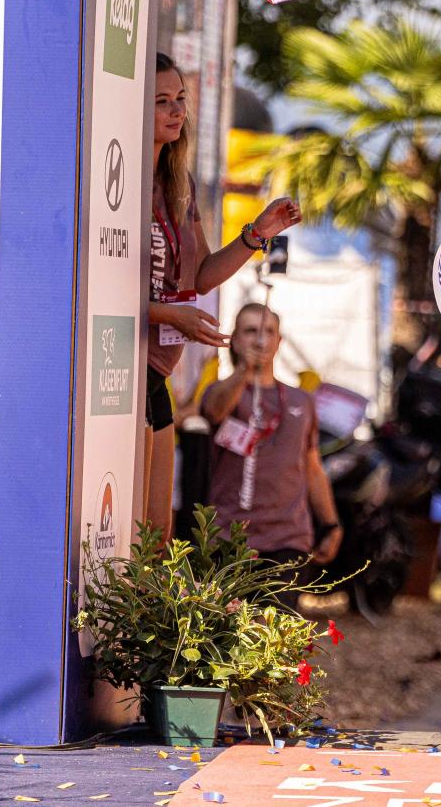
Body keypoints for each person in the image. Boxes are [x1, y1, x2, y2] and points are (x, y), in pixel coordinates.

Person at [144, 53, 301, 535]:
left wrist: (257, 233)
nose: (176, 112)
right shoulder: (120, 176)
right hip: (118, 372)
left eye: (181, 100)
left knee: (156, 535)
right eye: (162, 102)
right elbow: (93, 293)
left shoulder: (178, 183)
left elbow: (202, 276)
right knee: (129, 532)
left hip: (157, 373)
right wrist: (170, 318)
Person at [196, 303, 342, 587]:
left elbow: (312, 466)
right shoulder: (220, 391)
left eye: (268, 332)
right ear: (235, 340)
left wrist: (331, 525)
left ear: (279, 341)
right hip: (230, 538)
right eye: (250, 331)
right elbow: (214, 411)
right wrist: (243, 370)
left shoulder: (302, 401)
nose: (260, 339)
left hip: (287, 539)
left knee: (276, 628)